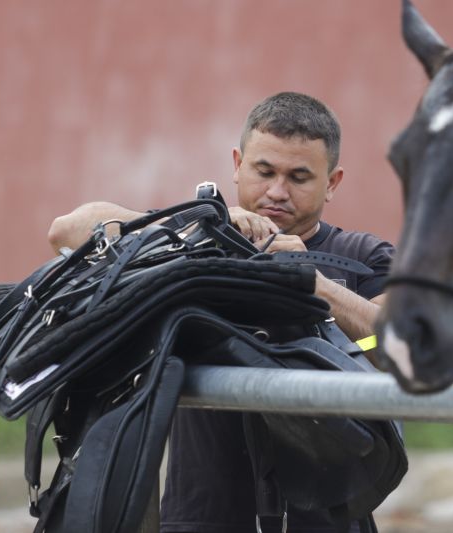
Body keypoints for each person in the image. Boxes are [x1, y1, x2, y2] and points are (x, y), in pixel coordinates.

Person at [47, 91, 394, 532]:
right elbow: (68, 230)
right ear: (236, 164)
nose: (276, 192)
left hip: (330, 518)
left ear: (333, 182)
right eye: (263, 171)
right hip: (200, 517)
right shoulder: (189, 243)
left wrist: (311, 282)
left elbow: (401, 347)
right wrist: (201, 231)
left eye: (300, 177)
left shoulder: (364, 257)